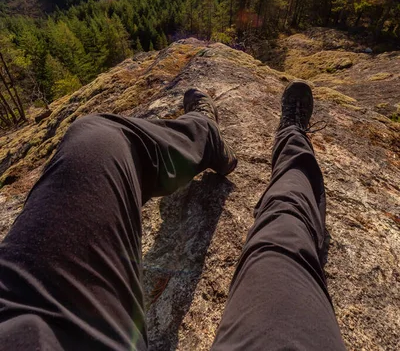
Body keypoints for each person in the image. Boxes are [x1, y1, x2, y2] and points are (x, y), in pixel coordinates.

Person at [0, 81, 347, 350]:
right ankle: (292, 137)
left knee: (97, 136)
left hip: (26, 320)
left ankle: (205, 131)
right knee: (285, 228)